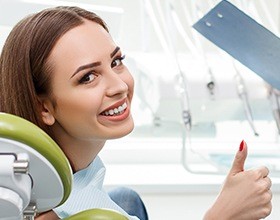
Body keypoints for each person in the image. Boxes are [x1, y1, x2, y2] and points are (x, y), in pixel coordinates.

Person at [0, 6, 272, 220]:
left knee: (127, 198)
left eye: (116, 61)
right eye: (88, 77)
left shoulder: (74, 173)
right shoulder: (52, 211)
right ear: (43, 107)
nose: (120, 85)